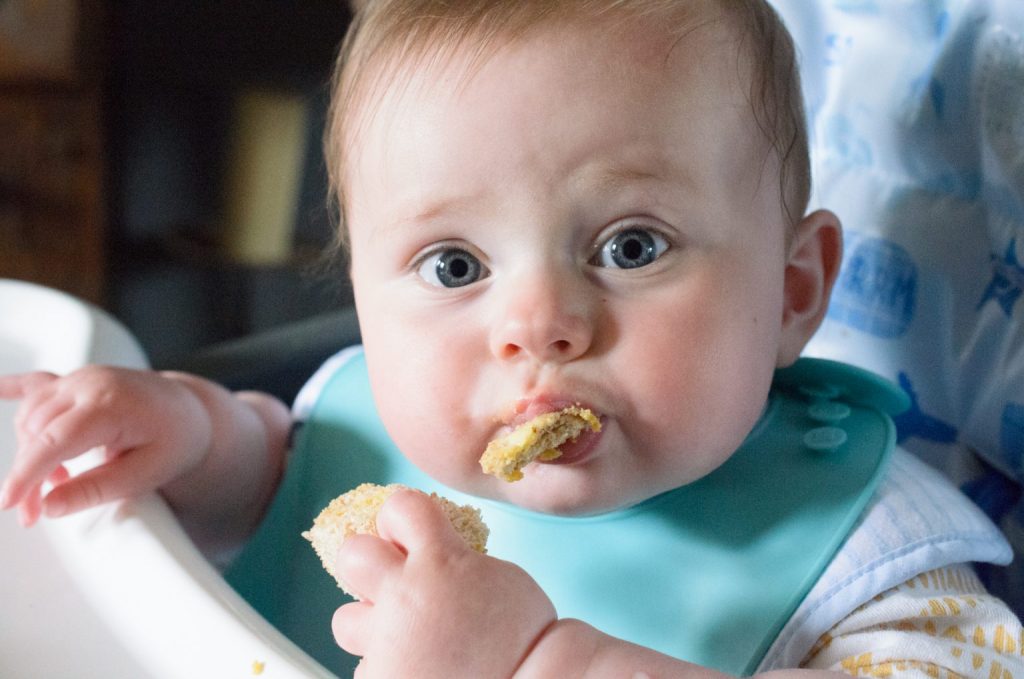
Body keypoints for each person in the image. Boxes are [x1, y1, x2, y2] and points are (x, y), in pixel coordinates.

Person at [2, 1, 1021, 677]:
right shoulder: (369, 422)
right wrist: (189, 432)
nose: (538, 325)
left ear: (794, 289)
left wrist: (542, 659)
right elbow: (288, 481)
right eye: (454, 267)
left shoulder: (866, 555)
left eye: (630, 245)